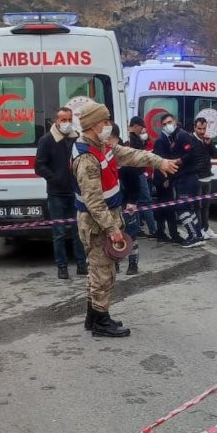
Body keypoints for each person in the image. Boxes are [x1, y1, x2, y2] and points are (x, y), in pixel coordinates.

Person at [72, 103, 178, 336]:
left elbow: (129, 154)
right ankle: (101, 321)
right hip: (97, 223)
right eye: (104, 121)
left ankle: (93, 316)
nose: (108, 125)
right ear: (92, 125)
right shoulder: (86, 158)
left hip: (105, 218)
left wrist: (158, 161)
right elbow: (94, 202)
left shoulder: (101, 146)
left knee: (98, 270)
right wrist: (112, 230)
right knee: (103, 272)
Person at [35, 106, 88, 279]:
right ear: (56, 121)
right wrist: (55, 178)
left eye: (69, 119)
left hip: (75, 192)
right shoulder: (47, 140)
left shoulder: (77, 138)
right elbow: (39, 166)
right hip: (56, 193)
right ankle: (62, 267)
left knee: (78, 231)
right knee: (58, 233)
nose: (66, 123)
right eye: (63, 120)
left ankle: (82, 264)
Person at [154, 112, 206, 247]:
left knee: (182, 207)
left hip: (187, 178)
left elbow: (192, 153)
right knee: (188, 207)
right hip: (183, 177)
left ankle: (193, 235)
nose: (167, 126)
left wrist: (179, 161)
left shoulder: (181, 135)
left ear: (175, 121)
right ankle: (197, 234)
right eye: (164, 124)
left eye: (169, 122)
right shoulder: (174, 137)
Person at [110, 123, 143, 275]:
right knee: (112, 234)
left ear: (115, 138)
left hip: (127, 201)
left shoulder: (125, 155)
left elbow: (136, 182)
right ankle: (114, 262)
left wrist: (132, 201)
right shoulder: (101, 154)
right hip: (111, 202)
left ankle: (133, 263)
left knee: (131, 234)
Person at [125, 116, 158, 238]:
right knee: (146, 201)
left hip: (135, 174)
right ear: (136, 126)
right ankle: (153, 230)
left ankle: (137, 228)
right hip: (138, 174)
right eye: (141, 128)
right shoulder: (133, 140)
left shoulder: (129, 138)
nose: (142, 131)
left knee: (136, 202)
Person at [192, 117, 217, 240]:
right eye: (199, 128)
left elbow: (216, 155)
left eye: (204, 128)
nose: (202, 131)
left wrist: (210, 144)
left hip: (207, 177)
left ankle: (206, 227)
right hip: (196, 178)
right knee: (197, 207)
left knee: (206, 206)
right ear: (194, 128)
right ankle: (199, 229)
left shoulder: (206, 140)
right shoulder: (191, 140)